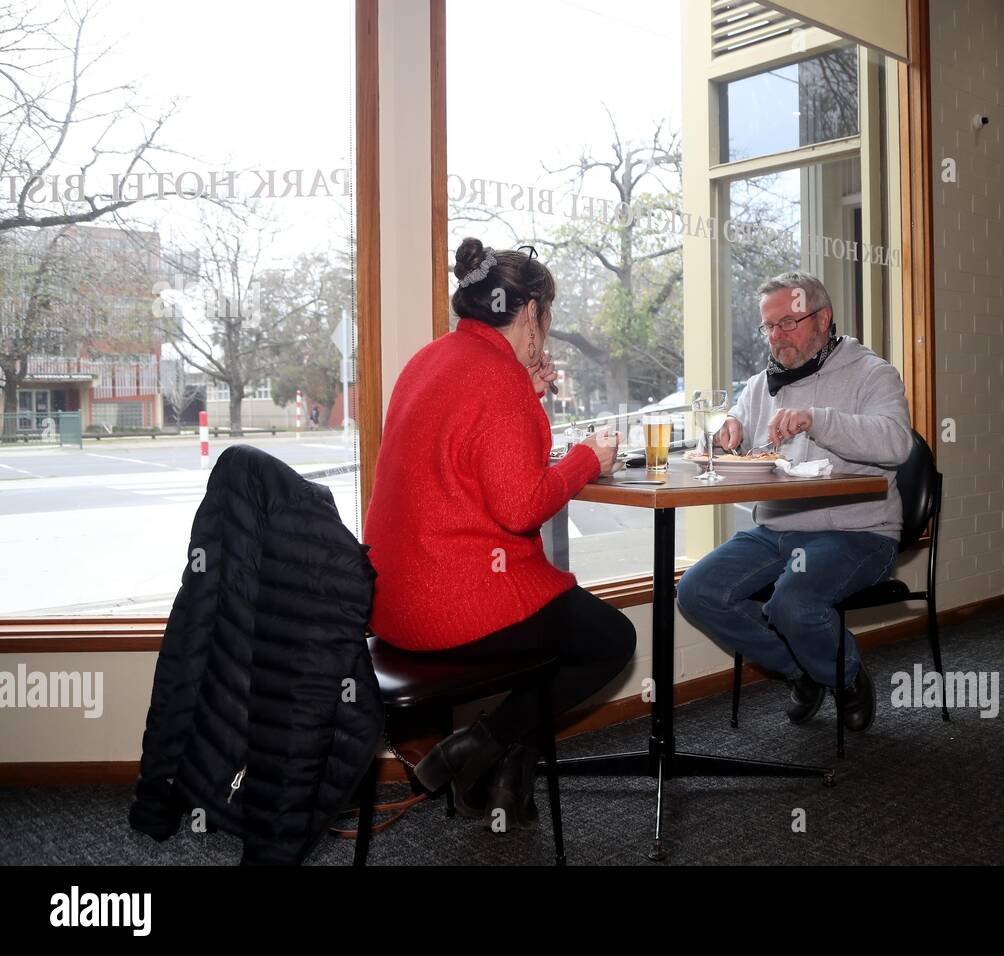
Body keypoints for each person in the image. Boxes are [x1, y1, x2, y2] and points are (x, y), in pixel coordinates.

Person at [363, 237, 636, 829]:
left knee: (569, 625)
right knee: (609, 640)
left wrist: (529, 393)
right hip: (452, 605)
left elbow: (483, 462)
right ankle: (479, 748)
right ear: (532, 312)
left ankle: (501, 774)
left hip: (391, 605)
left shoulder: (428, 360)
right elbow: (522, 506)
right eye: (548, 315)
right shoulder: (496, 377)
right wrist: (590, 457)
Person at [676, 271, 913, 733]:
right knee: (697, 592)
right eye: (768, 326)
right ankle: (804, 666)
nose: (776, 336)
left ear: (823, 318)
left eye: (788, 322)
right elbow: (737, 438)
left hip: (856, 531)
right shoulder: (762, 384)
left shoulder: (872, 373)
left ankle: (843, 677)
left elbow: (897, 444)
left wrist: (817, 420)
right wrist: (730, 435)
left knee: (791, 604)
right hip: (778, 529)